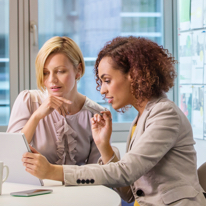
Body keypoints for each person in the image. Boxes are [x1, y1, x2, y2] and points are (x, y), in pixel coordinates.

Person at [22, 36, 206, 206]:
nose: (102, 90)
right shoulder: (141, 118)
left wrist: (53, 172)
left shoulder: (165, 114)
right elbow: (129, 193)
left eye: (107, 80)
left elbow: (125, 172)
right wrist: (104, 146)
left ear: (134, 75)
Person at [7, 36, 106, 166]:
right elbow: (10, 156)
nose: (52, 80)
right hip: (36, 186)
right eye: (45, 73)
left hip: (80, 186)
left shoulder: (96, 113)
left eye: (60, 71)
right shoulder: (28, 101)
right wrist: (36, 116)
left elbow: (98, 172)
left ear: (78, 70)